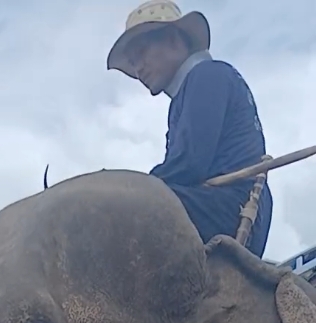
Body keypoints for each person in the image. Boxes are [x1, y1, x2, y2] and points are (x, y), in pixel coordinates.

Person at [107, 3, 272, 256]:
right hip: (221, 204)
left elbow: (188, 164)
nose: (138, 68)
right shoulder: (191, 91)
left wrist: (131, 188)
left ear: (173, 40)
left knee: (113, 210)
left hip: (228, 205)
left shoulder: (208, 75)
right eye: (133, 62)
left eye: (141, 54)